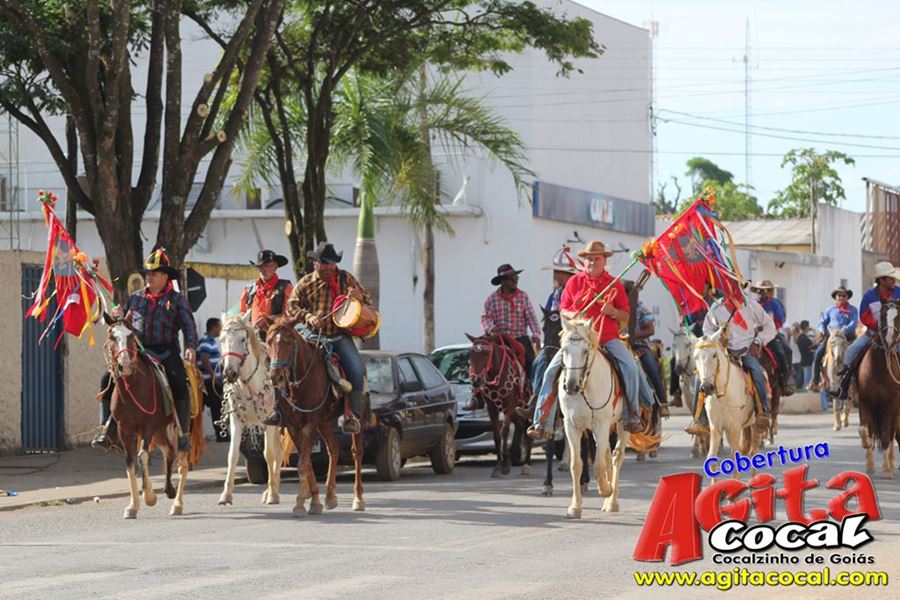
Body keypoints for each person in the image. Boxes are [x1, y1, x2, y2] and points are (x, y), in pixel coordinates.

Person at [527, 240, 645, 440]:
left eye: (596, 258)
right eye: (589, 258)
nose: (592, 262)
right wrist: (574, 315)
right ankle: (541, 421)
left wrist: (612, 311)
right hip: (577, 339)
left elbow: (625, 315)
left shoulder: (614, 284)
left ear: (604, 260)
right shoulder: (574, 282)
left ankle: (632, 414)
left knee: (631, 368)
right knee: (549, 371)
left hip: (606, 338)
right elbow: (563, 309)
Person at [92, 247, 198, 451]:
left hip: (166, 351)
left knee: (178, 381)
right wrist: (118, 316)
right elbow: (125, 325)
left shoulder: (177, 300)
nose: (149, 277)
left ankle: (183, 431)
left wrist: (191, 346)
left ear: (165, 276)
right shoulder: (136, 298)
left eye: (154, 273)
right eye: (147, 273)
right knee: (107, 378)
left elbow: (189, 326)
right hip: (139, 351)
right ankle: (107, 429)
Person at [264, 242, 371, 434]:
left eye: (332, 264)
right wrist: (308, 316)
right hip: (310, 336)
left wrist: (358, 298)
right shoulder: (305, 283)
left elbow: (367, 300)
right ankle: (278, 410)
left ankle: (351, 415)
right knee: (280, 362)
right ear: (315, 263)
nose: (329, 268)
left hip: (339, 337)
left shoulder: (346, 279)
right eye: (325, 264)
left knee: (356, 368)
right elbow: (292, 306)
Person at [684, 291, 776, 435]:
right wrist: (717, 339)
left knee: (757, 372)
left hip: (745, 352)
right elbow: (707, 330)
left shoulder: (751, 305)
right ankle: (700, 420)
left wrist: (757, 342)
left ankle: (762, 413)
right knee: (700, 378)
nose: (731, 289)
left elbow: (770, 327)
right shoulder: (716, 307)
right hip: (722, 353)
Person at [829, 262, 900, 401]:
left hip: (897, 335)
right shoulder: (869, 296)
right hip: (873, 334)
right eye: (891, 278)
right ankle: (844, 387)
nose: (894, 280)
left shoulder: (899, 292)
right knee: (851, 352)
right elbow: (864, 316)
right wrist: (878, 326)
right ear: (881, 280)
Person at [480, 263, 541, 378]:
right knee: (483, 359)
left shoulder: (523, 296)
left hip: (519, 338)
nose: (515, 281)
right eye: (512, 278)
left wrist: (536, 334)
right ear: (502, 281)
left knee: (531, 363)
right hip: (500, 338)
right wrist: (491, 328)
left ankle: (532, 389)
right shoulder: (492, 299)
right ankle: (481, 387)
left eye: (516, 278)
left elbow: (531, 317)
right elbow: (485, 318)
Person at [808, 286, 858, 391]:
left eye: (844, 296)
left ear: (847, 297)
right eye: (839, 295)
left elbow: (853, 323)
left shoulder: (853, 310)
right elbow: (822, 322)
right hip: (832, 337)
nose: (841, 298)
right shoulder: (829, 310)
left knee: (859, 355)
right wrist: (821, 330)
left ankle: (857, 380)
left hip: (848, 337)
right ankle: (815, 381)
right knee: (818, 355)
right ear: (835, 297)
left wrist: (844, 330)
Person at [750, 280, 795, 395]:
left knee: (784, 351)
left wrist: (768, 326)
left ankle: (785, 380)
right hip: (752, 335)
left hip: (770, 334)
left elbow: (780, 320)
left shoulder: (774, 304)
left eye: (764, 291)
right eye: (758, 291)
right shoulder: (751, 304)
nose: (760, 293)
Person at [239, 249, 294, 336]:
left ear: (275, 267)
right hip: (253, 338)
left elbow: (291, 314)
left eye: (267, 266)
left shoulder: (285, 287)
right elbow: (242, 313)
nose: (264, 269)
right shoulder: (249, 290)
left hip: (278, 338)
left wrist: (268, 319)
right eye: (260, 267)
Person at [198, 317, 229, 442]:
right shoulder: (206, 341)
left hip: (212, 380)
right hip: (209, 381)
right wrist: (213, 376)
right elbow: (204, 359)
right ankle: (221, 435)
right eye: (219, 327)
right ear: (214, 327)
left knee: (216, 407)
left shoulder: (211, 341)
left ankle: (220, 433)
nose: (221, 329)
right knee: (217, 408)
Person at [796, 320, 815, 389]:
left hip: (806, 359)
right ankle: (805, 389)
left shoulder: (801, 337)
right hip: (807, 360)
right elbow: (810, 346)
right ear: (807, 327)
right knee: (807, 378)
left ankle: (805, 388)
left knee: (807, 376)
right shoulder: (802, 337)